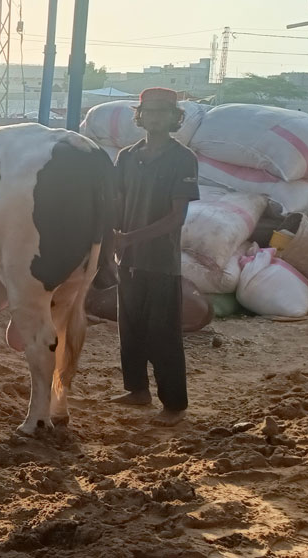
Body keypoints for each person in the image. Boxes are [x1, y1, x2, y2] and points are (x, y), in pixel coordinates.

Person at [110, 87, 199, 426]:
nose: (155, 117)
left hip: (161, 261)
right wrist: (113, 235)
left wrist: (130, 237)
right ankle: (137, 390)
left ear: (175, 118)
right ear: (140, 116)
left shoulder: (182, 158)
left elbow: (177, 217)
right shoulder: (127, 156)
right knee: (129, 328)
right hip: (128, 259)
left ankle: (173, 405)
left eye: (163, 111)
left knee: (162, 332)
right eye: (149, 111)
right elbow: (117, 202)